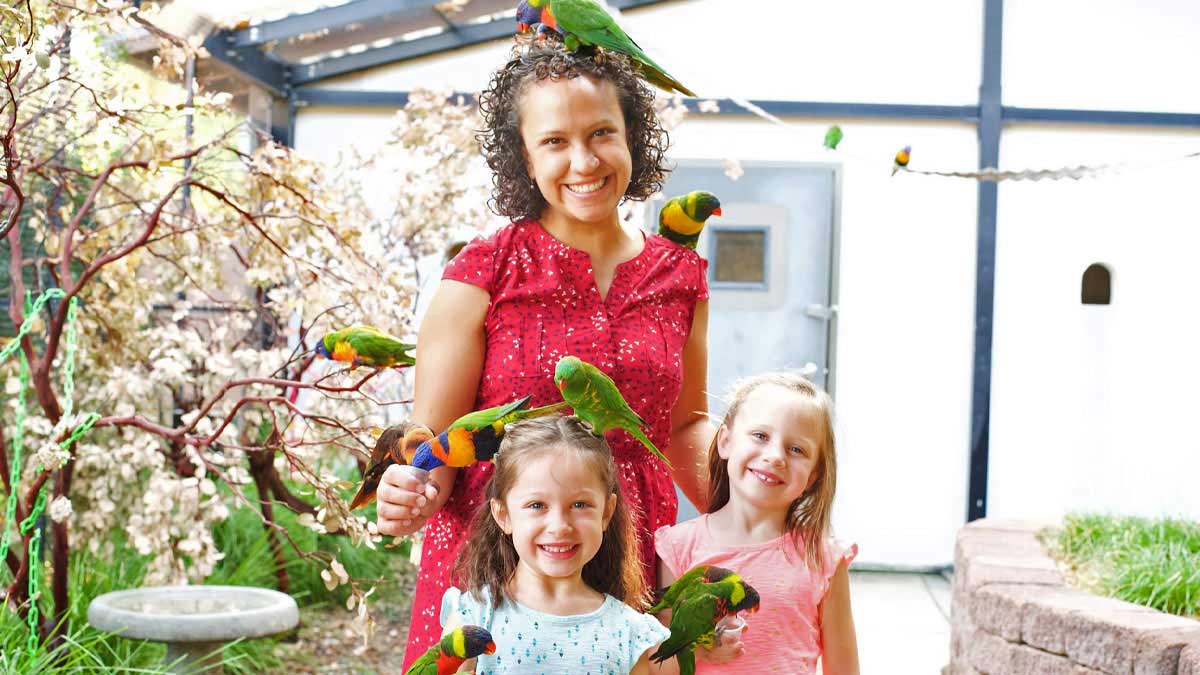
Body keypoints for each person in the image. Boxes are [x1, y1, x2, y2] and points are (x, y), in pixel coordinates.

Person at [376, 39, 712, 669]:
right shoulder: (482, 272)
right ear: (523, 158)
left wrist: (759, 504)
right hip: (496, 566)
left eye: (601, 133)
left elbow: (684, 425)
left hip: (631, 557)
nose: (583, 159)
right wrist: (413, 486)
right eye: (554, 141)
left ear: (633, 139)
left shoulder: (682, 275)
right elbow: (439, 436)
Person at [653, 373, 860, 675]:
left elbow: (844, 669)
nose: (775, 456)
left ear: (814, 475)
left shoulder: (824, 558)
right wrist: (699, 648)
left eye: (796, 449)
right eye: (760, 436)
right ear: (724, 442)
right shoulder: (679, 547)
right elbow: (660, 666)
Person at [441, 415, 669, 674]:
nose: (560, 526)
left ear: (606, 513)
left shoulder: (630, 633)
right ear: (503, 515)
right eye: (537, 505)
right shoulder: (473, 616)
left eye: (580, 505)